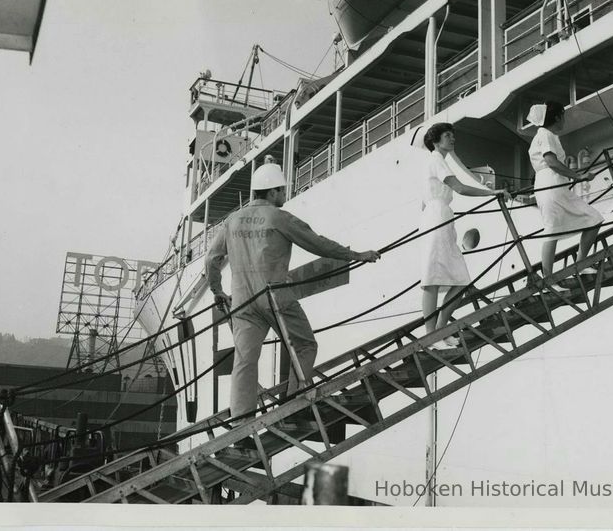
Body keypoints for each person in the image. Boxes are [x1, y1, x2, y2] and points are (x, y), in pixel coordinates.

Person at [205, 160, 381, 432]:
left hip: (242, 302)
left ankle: (241, 424)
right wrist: (356, 255)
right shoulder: (279, 217)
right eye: (282, 191)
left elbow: (212, 259)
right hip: (276, 297)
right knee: (304, 345)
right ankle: (293, 405)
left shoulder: (232, 221)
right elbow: (317, 243)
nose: (284, 195)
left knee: (245, 360)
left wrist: (218, 292)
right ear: (273, 191)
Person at [419, 122, 509, 349]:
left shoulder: (436, 162)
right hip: (437, 217)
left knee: (460, 279)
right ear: (436, 140)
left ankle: (440, 331)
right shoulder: (436, 160)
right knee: (432, 278)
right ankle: (431, 337)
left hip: (441, 217)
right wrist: (491, 192)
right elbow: (460, 188)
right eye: (448, 135)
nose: (453, 139)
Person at [526, 101, 603, 280]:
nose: (564, 120)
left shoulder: (546, 134)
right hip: (551, 184)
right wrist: (579, 176)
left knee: (592, 219)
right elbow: (551, 161)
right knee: (553, 230)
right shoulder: (545, 134)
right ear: (558, 117)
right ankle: (549, 279)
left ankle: (580, 265)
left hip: (553, 184)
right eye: (563, 116)